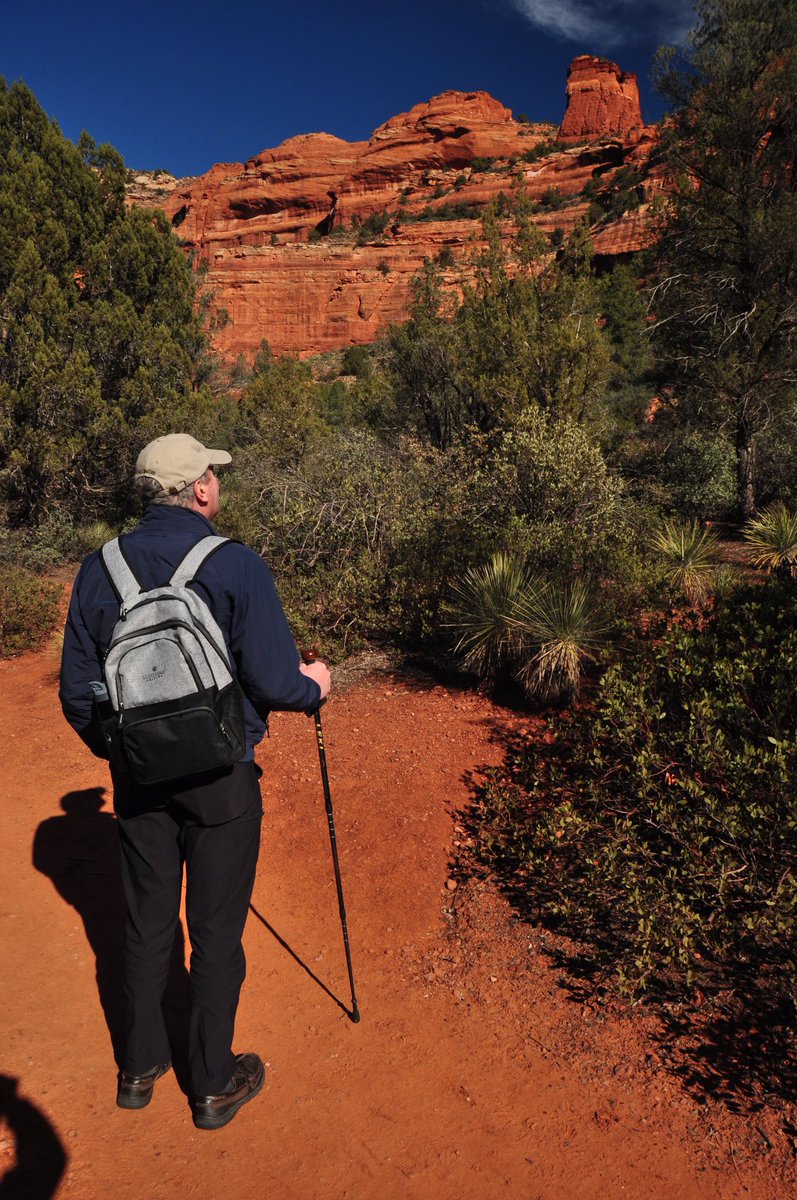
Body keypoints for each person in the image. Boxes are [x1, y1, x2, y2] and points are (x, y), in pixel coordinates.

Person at [59, 433, 330, 1130]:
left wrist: (123, 753)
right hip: (221, 778)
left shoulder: (100, 568)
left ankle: (138, 1069)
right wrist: (314, 689)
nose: (217, 481)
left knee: (146, 924)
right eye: (213, 472)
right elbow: (273, 679)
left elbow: (78, 695)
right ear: (200, 489)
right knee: (215, 933)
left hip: (140, 781)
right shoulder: (233, 564)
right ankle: (210, 1084)